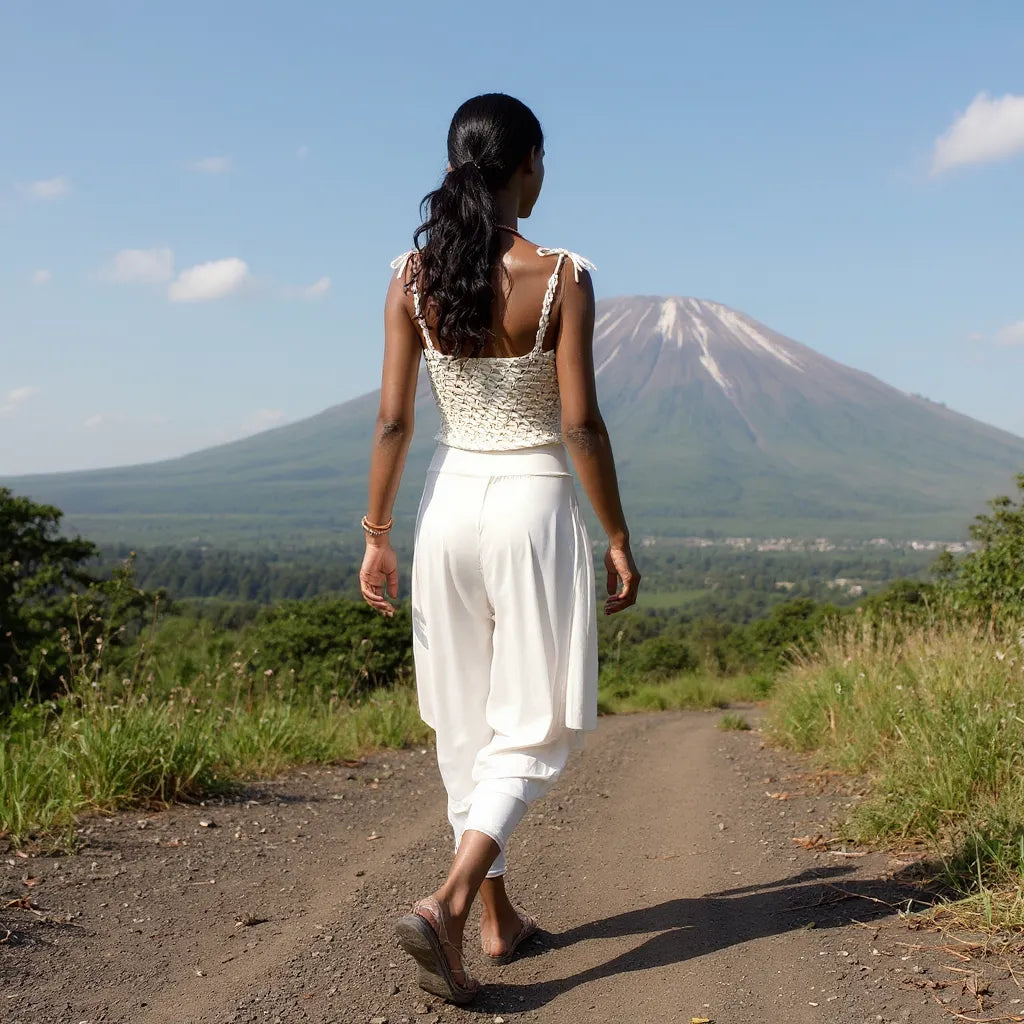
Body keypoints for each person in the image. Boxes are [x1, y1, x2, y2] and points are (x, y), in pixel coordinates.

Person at [359, 92, 639, 1004]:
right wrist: (617, 535)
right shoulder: (561, 276)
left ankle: (497, 920)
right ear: (527, 166)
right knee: (532, 724)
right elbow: (581, 425)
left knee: (466, 724)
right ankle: (448, 903)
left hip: (445, 507)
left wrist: (376, 534)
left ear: (454, 167)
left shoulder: (412, 276)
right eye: (540, 160)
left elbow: (394, 420)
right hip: (533, 502)